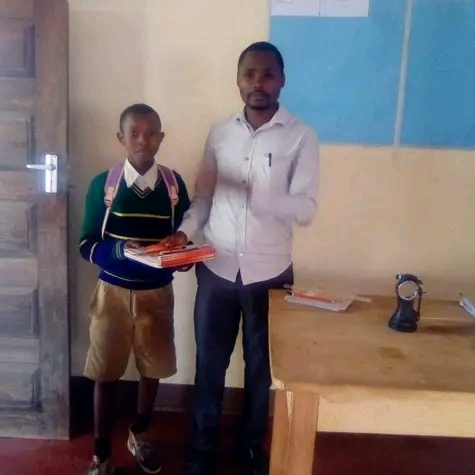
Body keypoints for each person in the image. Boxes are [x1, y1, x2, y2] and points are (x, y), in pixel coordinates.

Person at [162, 41, 320, 475]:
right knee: (209, 367)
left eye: (268, 74)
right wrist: (184, 233)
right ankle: (201, 450)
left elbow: (306, 209)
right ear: (238, 79)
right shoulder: (220, 133)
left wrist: (259, 195)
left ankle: (251, 449)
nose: (258, 83)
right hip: (216, 267)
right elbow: (204, 197)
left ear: (282, 79)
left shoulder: (301, 136)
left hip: (270, 273)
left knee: (261, 371)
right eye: (249, 73)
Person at [79, 103, 191, 475]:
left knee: (152, 368)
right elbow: (86, 245)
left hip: (157, 295)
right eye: (134, 133)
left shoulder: (173, 186)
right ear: (121, 138)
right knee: (105, 372)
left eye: (151, 133)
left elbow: (184, 239)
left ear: (161, 138)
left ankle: (140, 434)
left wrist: (183, 255)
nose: (143, 140)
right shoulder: (104, 185)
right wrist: (119, 250)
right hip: (111, 294)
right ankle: (101, 453)